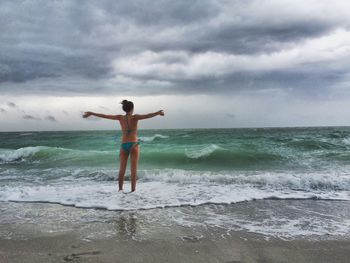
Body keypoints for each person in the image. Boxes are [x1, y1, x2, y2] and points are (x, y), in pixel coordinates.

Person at [83, 100, 164, 192]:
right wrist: (158, 113)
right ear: (132, 109)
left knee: (122, 170)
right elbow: (147, 115)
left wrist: (91, 113)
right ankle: (133, 191)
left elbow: (105, 116)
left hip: (124, 145)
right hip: (134, 144)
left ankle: (120, 190)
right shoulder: (135, 117)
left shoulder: (120, 117)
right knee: (133, 170)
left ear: (124, 109)